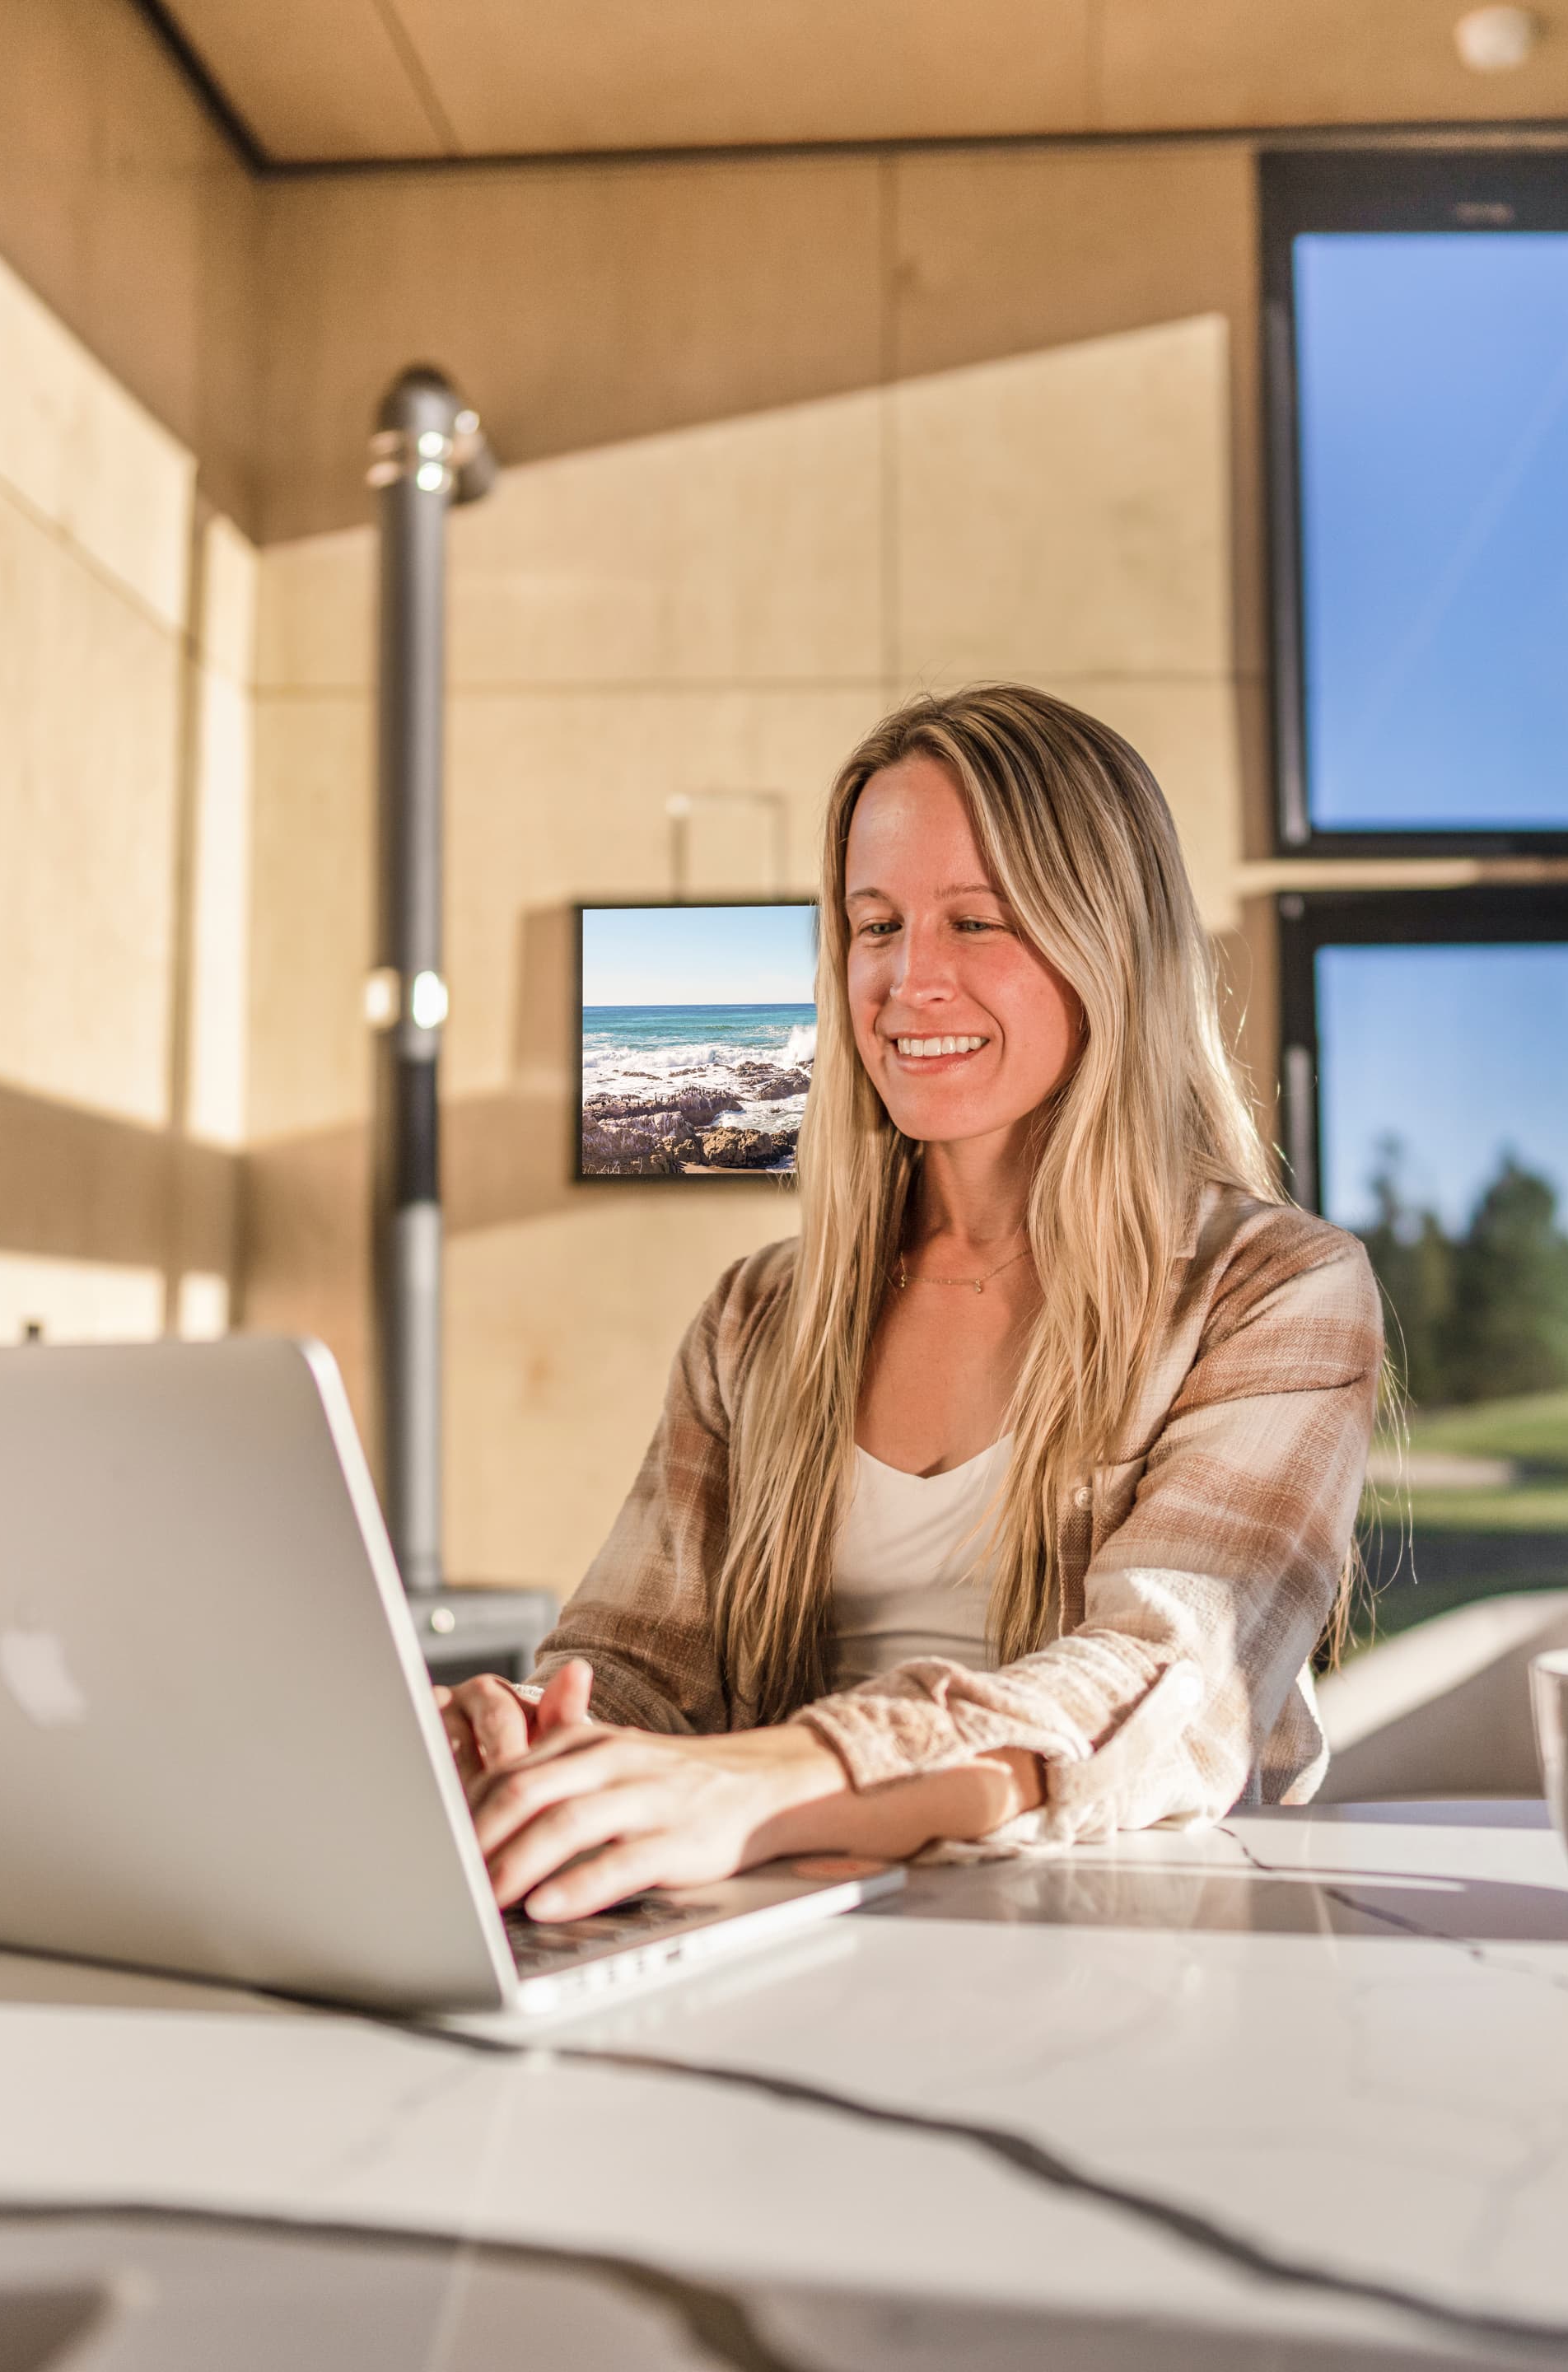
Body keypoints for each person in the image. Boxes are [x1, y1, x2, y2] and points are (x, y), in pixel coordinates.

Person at [442, 685, 1381, 1921]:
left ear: (1108, 944)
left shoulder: (1277, 1290)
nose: (906, 979)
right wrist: (537, 1738)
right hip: (774, 1936)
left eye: (977, 923)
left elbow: (1163, 1686)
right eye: (874, 923)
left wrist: (762, 1782)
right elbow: (633, 1664)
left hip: (1129, 1952)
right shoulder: (758, 1316)